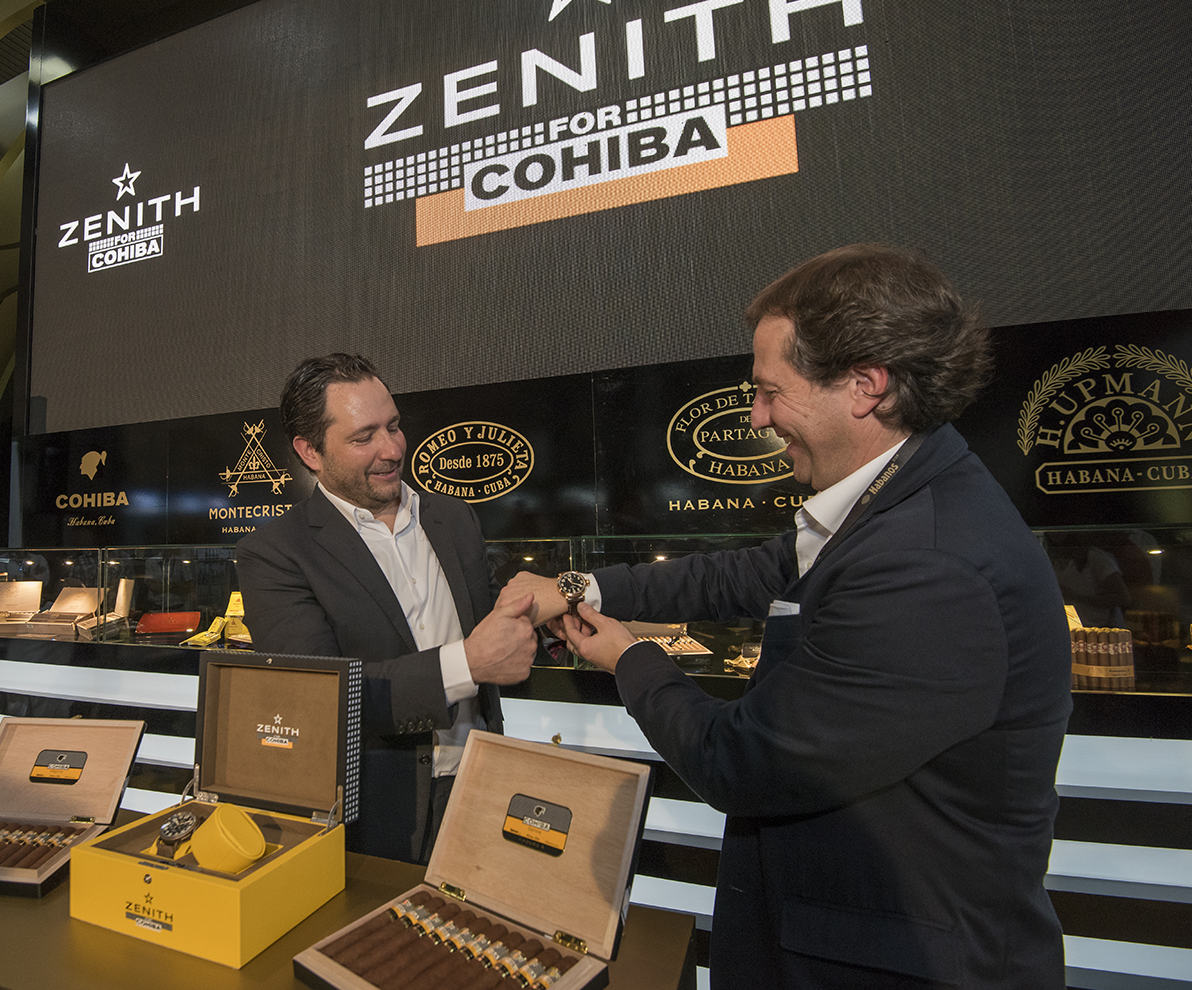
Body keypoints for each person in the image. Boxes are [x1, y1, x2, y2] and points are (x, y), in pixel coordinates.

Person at [504, 245, 1072, 989]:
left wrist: (628, 658)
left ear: (866, 385)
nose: (759, 416)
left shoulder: (927, 566)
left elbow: (741, 762)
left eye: (772, 392)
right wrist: (575, 586)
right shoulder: (897, 502)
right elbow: (739, 575)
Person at [235, 353, 537, 864]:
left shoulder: (453, 518)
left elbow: (490, 626)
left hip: (483, 781)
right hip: (381, 812)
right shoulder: (275, 552)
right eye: (364, 437)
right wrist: (467, 664)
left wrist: (543, 619)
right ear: (310, 451)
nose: (392, 449)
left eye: (394, 426)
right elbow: (319, 699)